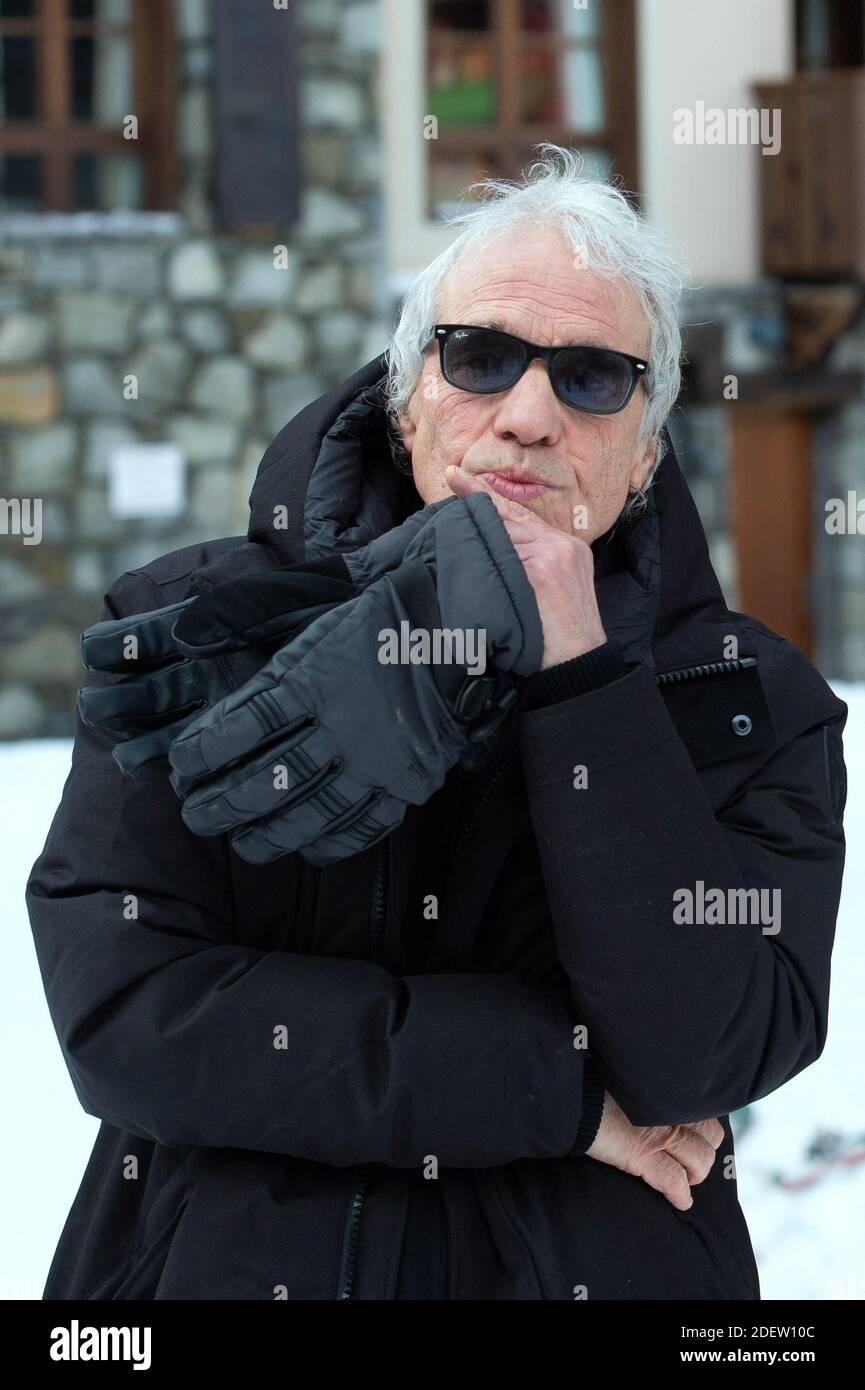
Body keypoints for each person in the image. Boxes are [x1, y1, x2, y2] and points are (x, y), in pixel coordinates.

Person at [27, 148, 846, 1301]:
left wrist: (581, 678)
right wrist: (552, 1091)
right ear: (406, 391)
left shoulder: (750, 703)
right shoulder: (194, 629)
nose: (527, 414)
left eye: (592, 379)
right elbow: (128, 1015)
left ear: (648, 446)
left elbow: (707, 1050)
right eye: (482, 357)